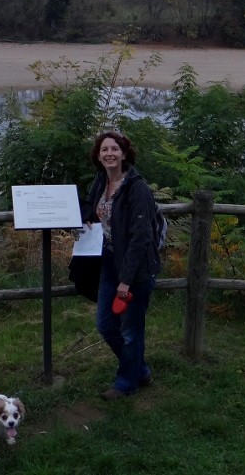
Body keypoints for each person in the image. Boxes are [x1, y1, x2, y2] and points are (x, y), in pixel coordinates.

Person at [80, 130, 161, 401]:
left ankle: (126, 383)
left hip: (136, 269)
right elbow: (92, 207)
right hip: (110, 262)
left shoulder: (137, 188)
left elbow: (141, 238)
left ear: (124, 153)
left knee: (130, 330)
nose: (109, 154)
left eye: (115, 149)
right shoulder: (101, 181)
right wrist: (87, 217)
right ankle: (140, 369)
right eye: (104, 149)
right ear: (98, 155)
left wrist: (125, 281)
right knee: (105, 324)